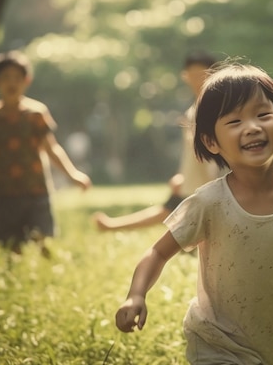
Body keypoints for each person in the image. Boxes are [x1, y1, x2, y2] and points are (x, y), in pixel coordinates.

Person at [115, 62, 273, 365]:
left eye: (263, 114)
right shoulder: (209, 202)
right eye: (234, 121)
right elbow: (158, 253)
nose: (252, 126)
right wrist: (136, 294)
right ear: (211, 141)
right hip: (216, 342)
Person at [0, 50, 92, 256]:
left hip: (36, 189)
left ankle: (49, 274)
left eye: (17, 78)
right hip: (2, 191)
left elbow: (51, 147)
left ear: (27, 80)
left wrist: (73, 174)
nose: (12, 83)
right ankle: (15, 276)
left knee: (44, 239)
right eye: (6, 77)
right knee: (10, 244)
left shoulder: (36, 113)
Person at [93, 51, 220, 232]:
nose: (196, 79)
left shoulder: (215, 105)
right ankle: (113, 226)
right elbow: (191, 152)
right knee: (172, 214)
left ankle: (113, 227)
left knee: (173, 216)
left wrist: (214, 184)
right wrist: (182, 175)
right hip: (193, 179)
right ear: (184, 76)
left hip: (205, 182)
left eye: (201, 74)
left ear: (213, 72)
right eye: (192, 75)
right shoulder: (195, 107)